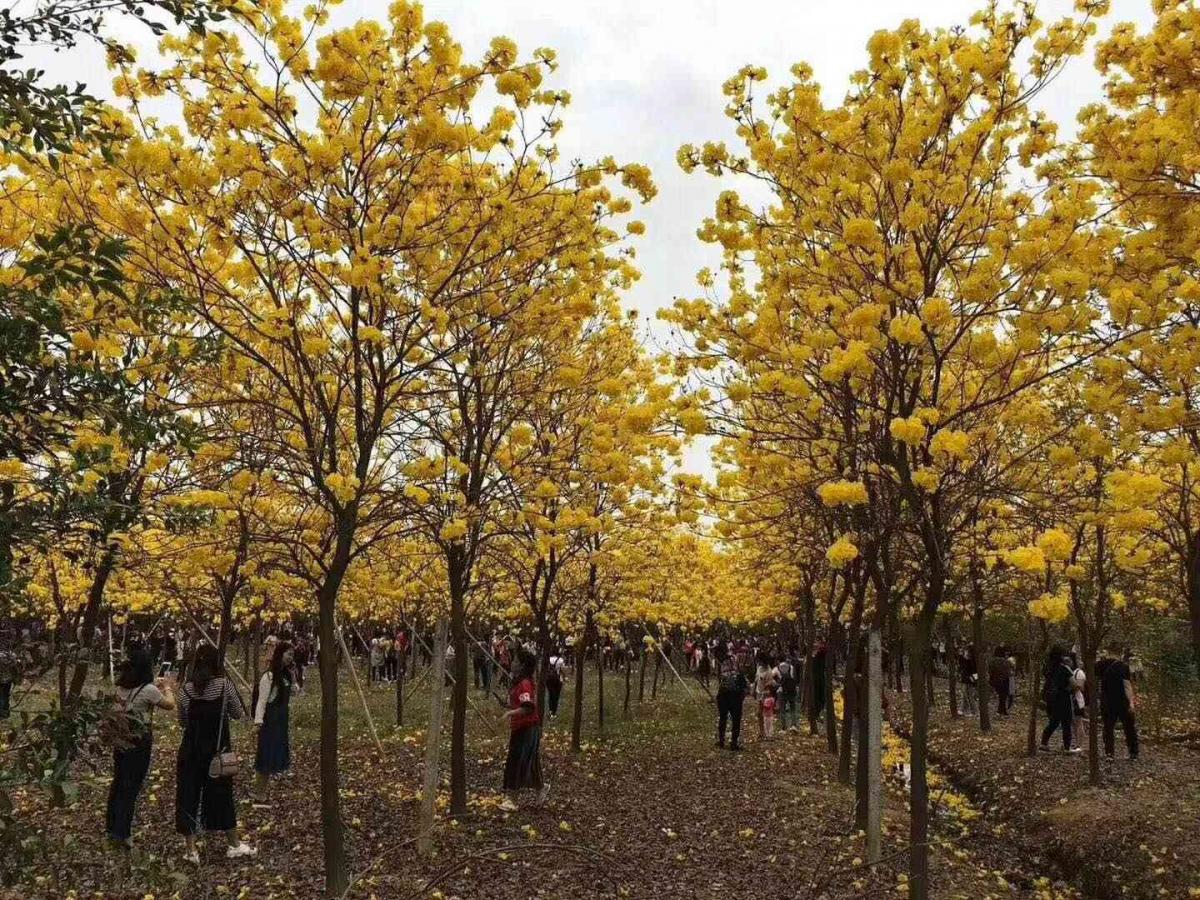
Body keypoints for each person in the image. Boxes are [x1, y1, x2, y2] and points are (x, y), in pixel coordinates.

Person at [175, 643, 255, 863]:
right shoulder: (224, 686)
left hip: (190, 752)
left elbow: (182, 721)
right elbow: (238, 713)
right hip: (217, 753)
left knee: (187, 796)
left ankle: (191, 851)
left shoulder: (186, 690)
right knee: (222, 796)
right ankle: (233, 843)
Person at [106, 647, 175, 849]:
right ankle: (123, 832)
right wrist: (168, 687)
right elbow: (169, 705)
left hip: (120, 739)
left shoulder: (121, 687)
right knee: (131, 786)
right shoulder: (149, 690)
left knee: (118, 781)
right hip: (139, 742)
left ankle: (111, 826)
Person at [500, 650, 548, 810]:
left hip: (526, 728)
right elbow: (521, 703)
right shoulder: (519, 681)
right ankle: (541, 789)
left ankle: (512, 799)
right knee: (528, 761)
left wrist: (510, 713)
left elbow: (527, 707)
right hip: (522, 727)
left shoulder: (524, 683)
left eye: (515, 660)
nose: (512, 663)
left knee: (517, 761)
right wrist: (509, 706)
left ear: (521, 665)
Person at [254, 640, 294, 791]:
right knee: (265, 755)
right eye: (288, 654)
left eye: (292, 655)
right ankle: (259, 791)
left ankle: (267, 786)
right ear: (280, 654)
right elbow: (262, 701)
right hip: (270, 720)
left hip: (281, 720)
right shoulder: (269, 676)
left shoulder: (285, 675)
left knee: (276, 753)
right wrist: (258, 722)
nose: (290, 657)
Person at [1098, 646, 1139, 761]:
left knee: (1108, 727)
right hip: (1122, 701)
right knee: (1129, 727)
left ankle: (1109, 753)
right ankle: (1133, 753)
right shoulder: (1123, 667)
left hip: (1106, 701)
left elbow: (1094, 682)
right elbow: (1127, 685)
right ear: (1120, 653)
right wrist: (1131, 703)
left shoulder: (1100, 665)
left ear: (1108, 652)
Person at [1040, 645, 1079, 754]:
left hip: (1051, 699)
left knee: (1053, 722)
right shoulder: (1064, 668)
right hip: (1064, 698)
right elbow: (1074, 684)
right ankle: (1067, 747)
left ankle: (1043, 743)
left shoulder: (1048, 667)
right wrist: (1069, 689)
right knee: (1066, 722)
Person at [715, 646, 748, 751]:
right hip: (734, 697)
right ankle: (733, 742)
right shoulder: (738, 673)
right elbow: (744, 686)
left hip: (724, 696)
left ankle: (722, 741)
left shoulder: (724, 672)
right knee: (735, 720)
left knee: (723, 718)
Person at [778, 650, 799, 732]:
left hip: (784, 691)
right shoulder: (792, 668)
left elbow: (781, 678)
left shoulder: (782, 666)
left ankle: (784, 727)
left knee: (783, 709)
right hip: (792, 690)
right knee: (792, 708)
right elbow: (795, 678)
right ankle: (793, 725)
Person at [545, 652, 564, 719]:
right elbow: (563, 670)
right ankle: (554, 712)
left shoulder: (548, 659)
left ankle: (550, 710)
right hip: (558, 679)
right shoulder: (560, 660)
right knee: (556, 696)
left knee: (551, 695)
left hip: (549, 679)